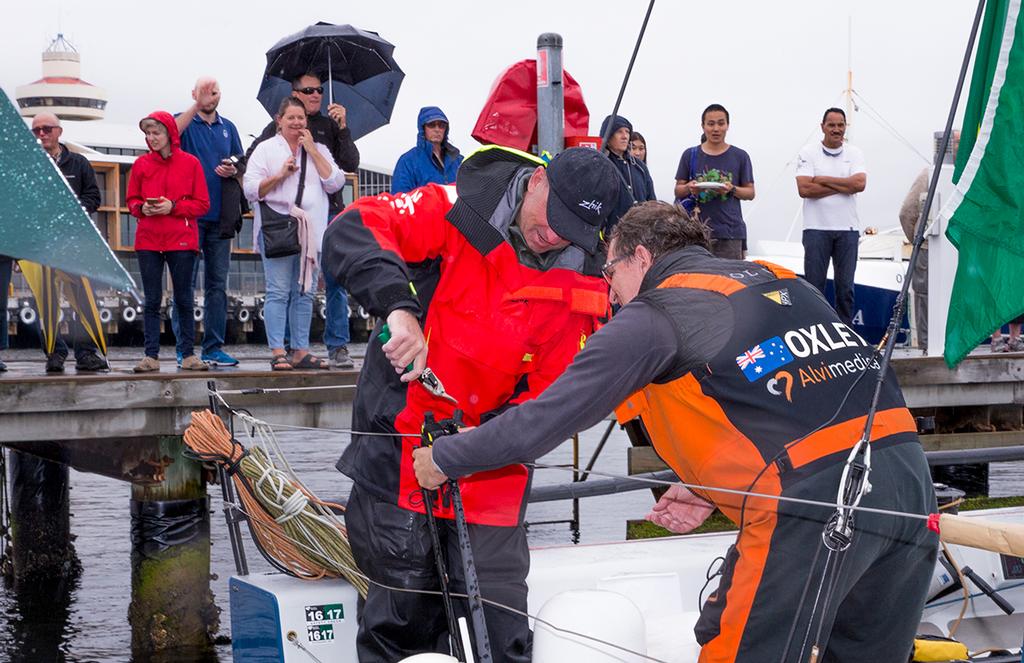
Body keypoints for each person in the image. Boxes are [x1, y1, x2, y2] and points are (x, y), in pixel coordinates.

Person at [414, 201, 937, 663]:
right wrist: (710, 484)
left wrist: (447, 457)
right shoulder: (781, 280)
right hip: (909, 484)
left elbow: (544, 421)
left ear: (640, 258)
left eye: (611, 273)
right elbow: (808, 396)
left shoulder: (658, 312)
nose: (610, 292)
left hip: (814, 505)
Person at [322, 146, 623, 662]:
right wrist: (398, 307)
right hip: (401, 448)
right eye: (553, 219)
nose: (552, 236)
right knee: (401, 624)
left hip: (492, 462)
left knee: (500, 629)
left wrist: (479, 445)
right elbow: (353, 227)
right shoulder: (455, 205)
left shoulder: (587, 284)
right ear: (537, 182)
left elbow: (553, 396)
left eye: (570, 231)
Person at [248, 73, 360, 369]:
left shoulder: (319, 148)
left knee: (305, 291)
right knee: (278, 290)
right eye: (291, 118)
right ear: (279, 120)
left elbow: (335, 182)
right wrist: (280, 176)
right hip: (279, 230)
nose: (297, 123)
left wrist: (312, 150)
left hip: (312, 232)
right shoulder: (266, 149)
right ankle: (276, 351)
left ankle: (299, 349)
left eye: (301, 118)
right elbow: (251, 188)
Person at [127, 112, 211, 373]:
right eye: (148, 134)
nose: (151, 138)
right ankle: (150, 356)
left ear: (170, 134)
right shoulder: (140, 165)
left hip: (182, 240)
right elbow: (131, 201)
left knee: (184, 299)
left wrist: (172, 206)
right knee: (151, 299)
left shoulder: (191, 163)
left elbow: (203, 205)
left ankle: (188, 355)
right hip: (149, 239)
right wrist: (143, 208)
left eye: (156, 133)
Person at [171, 77, 244, 367]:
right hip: (189, 217)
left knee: (217, 286)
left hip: (221, 218)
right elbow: (171, 133)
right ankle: (184, 350)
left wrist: (233, 167)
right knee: (184, 285)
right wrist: (196, 105)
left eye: (214, 92)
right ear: (193, 94)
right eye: (203, 92)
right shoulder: (185, 122)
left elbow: (242, 161)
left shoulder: (229, 128)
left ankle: (213, 348)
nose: (209, 97)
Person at [28, 112, 109, 373]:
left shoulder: (79, 163)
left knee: (84, 301)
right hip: (41, 247)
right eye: (36, 130)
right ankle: (54, 352)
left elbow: (94, 198)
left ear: (59, 131)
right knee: (45, 302)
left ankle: (86, 354)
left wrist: (69, 212)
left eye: (47, 129)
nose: (41, 134)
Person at [796, 107, 867, 326]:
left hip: (848, 231)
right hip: (816, 229)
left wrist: (823, 179)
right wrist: (844, 185)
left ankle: (846, 332)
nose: (836, 129)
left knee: (845, 288)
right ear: (823, 127)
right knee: (815, 288)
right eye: (832, 125)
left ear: (845, 126)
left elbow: (860, 184)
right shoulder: (808, 152)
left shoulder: (854, 153)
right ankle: (816, 331)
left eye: (840, 125)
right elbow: (805, 189)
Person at [674, 104, 755, 260]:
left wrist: (731, 190)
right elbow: (678, 190)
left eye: (721, 123)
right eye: (711, 124)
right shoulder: (690, 155)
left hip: (729, 233)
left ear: (727, 125)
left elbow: (750, 193)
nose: (716, 128)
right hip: (695, 234)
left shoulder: (740, 156)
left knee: (730, 282)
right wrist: (690, 187)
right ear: (703, 126)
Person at [391, 106, 464, 194]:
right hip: (423, 207)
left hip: (458, 207)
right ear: (423, 128)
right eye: (431, 125)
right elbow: (400, 198)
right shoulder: (407, 161)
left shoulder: (458, 160)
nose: (437, 129)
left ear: (446, 129)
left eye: (441, 125)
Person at [600, 114, 656, 204]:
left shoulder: (640, 167)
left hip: (640, 218)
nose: (625, 136)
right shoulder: (600, 165)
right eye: (619, 131)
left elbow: (652, 202)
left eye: (627, 132)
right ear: (608, 136)